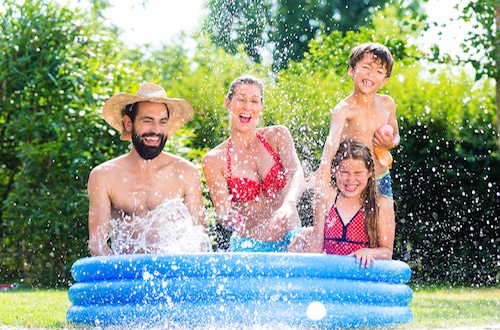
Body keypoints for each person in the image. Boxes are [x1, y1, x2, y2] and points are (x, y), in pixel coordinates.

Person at [87, 82, 211, 256]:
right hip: (127, 275)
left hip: (173, 276)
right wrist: (120, 279)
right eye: (148, 121)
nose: (156, 130)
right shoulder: (104, 176)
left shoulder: (185, 173)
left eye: (163, 122)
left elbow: (200, 239)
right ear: (128, 123)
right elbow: (97, 244)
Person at [202, 75, 306, 252]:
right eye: (241, 99)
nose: (247, 107)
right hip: (249, 246)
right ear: (228, 103)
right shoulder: (214, 159)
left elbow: (297, 173)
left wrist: (289, 204)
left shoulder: (277, 136)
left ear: (261, 107)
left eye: (254, 101)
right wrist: (229, 218)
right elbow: (222, 210)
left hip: (291, 238)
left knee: (310, 237)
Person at [314, 42, 400, 198]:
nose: (371, 74)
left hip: (381, 178)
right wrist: (325, 165)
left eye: (379, 71)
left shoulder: (387, 104)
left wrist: (390, 143)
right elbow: (332, 140)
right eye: (366, 67)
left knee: (384, 221)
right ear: (352, 70)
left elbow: (396, 135)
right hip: (351, 181)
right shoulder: (344, 109)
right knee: (350, 221)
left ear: (384, 80)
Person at [308, 139, 395, 268]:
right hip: (332, 272)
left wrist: (368, 251)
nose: (351, 180)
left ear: (369, 172)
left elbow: (387, 252)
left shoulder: (381, 204)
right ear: (334, 170)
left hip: (361, 276)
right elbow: (316, 245)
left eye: (358, 173)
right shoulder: (326, 197)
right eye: (344, 173)